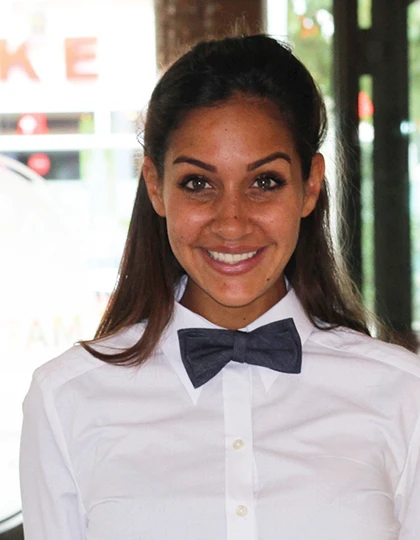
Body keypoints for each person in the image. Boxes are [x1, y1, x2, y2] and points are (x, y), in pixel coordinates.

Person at [20, 34, 420, 540]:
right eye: (198, 183)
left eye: (265, 182)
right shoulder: (65, 399)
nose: (232, 222)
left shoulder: (404, 394)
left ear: (310, 186)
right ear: (155, 186)